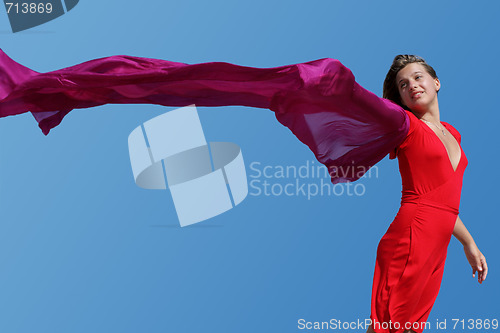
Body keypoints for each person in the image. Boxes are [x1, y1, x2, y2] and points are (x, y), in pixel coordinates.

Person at [0, 50, 487, 333]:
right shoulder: (402, 126)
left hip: (437, 246)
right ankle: (47, 86)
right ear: (398, 97)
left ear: (437, 81)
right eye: (403, 84)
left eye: (418, 77)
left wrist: (467, 242)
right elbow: (362, 105)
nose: (412, 85)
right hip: (411, 239)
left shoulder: (456, 139)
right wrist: (336, 80)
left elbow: (447, 196)